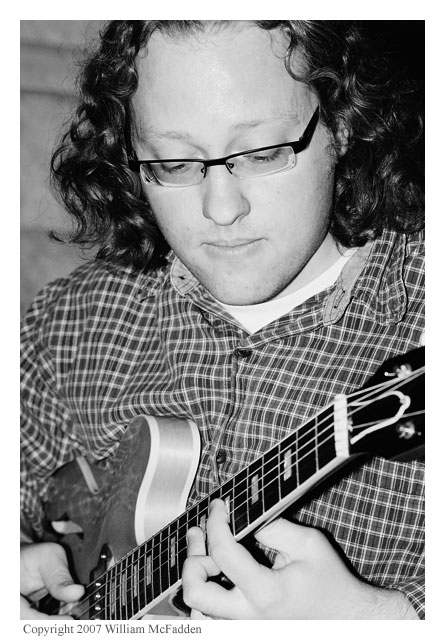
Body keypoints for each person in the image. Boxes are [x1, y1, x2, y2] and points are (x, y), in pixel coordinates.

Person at [20, 20, 424, 620]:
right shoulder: (71, 319)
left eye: (262, 154)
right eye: (175, 163)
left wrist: (385, 620)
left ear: (341, 123)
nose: (221, 209)